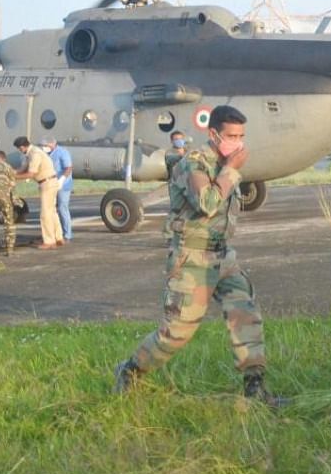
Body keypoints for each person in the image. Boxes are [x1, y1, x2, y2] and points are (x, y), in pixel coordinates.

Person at [113, 105, 284, 407]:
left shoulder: (224, 161)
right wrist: (232, 169)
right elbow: (207, 202)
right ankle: (129, 372)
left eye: (242, 136)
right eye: (232, 135)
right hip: (192, 258)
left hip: (222, 255)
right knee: (176, 333)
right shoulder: (194, 163)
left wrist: (230, 166)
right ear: (213, 133)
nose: (238, 141)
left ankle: (255, 389)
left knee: (245, 313)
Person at [13, 136, 63, 249]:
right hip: (49, 182)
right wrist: (11, 172)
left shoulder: (35, 154)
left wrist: (14, 177)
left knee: (45, 214)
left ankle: (49, 241)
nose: (19, 150)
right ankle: (58, 237)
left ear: (22, 147)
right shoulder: (31, 153)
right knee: (52, 212)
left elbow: (31, 174)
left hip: (47, 183)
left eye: (19, 148)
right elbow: (22, 169)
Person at [45, 137, 74, 243]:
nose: (45, 147)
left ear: (53, 143)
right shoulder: (47, 154)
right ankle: (55, 234)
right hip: (51, 184)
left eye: (47, 145)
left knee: (62, 208)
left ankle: (67, 235)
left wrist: (62, 179)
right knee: (51, 209)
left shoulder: (62, 152)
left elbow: (69, 168)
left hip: (63, 185)